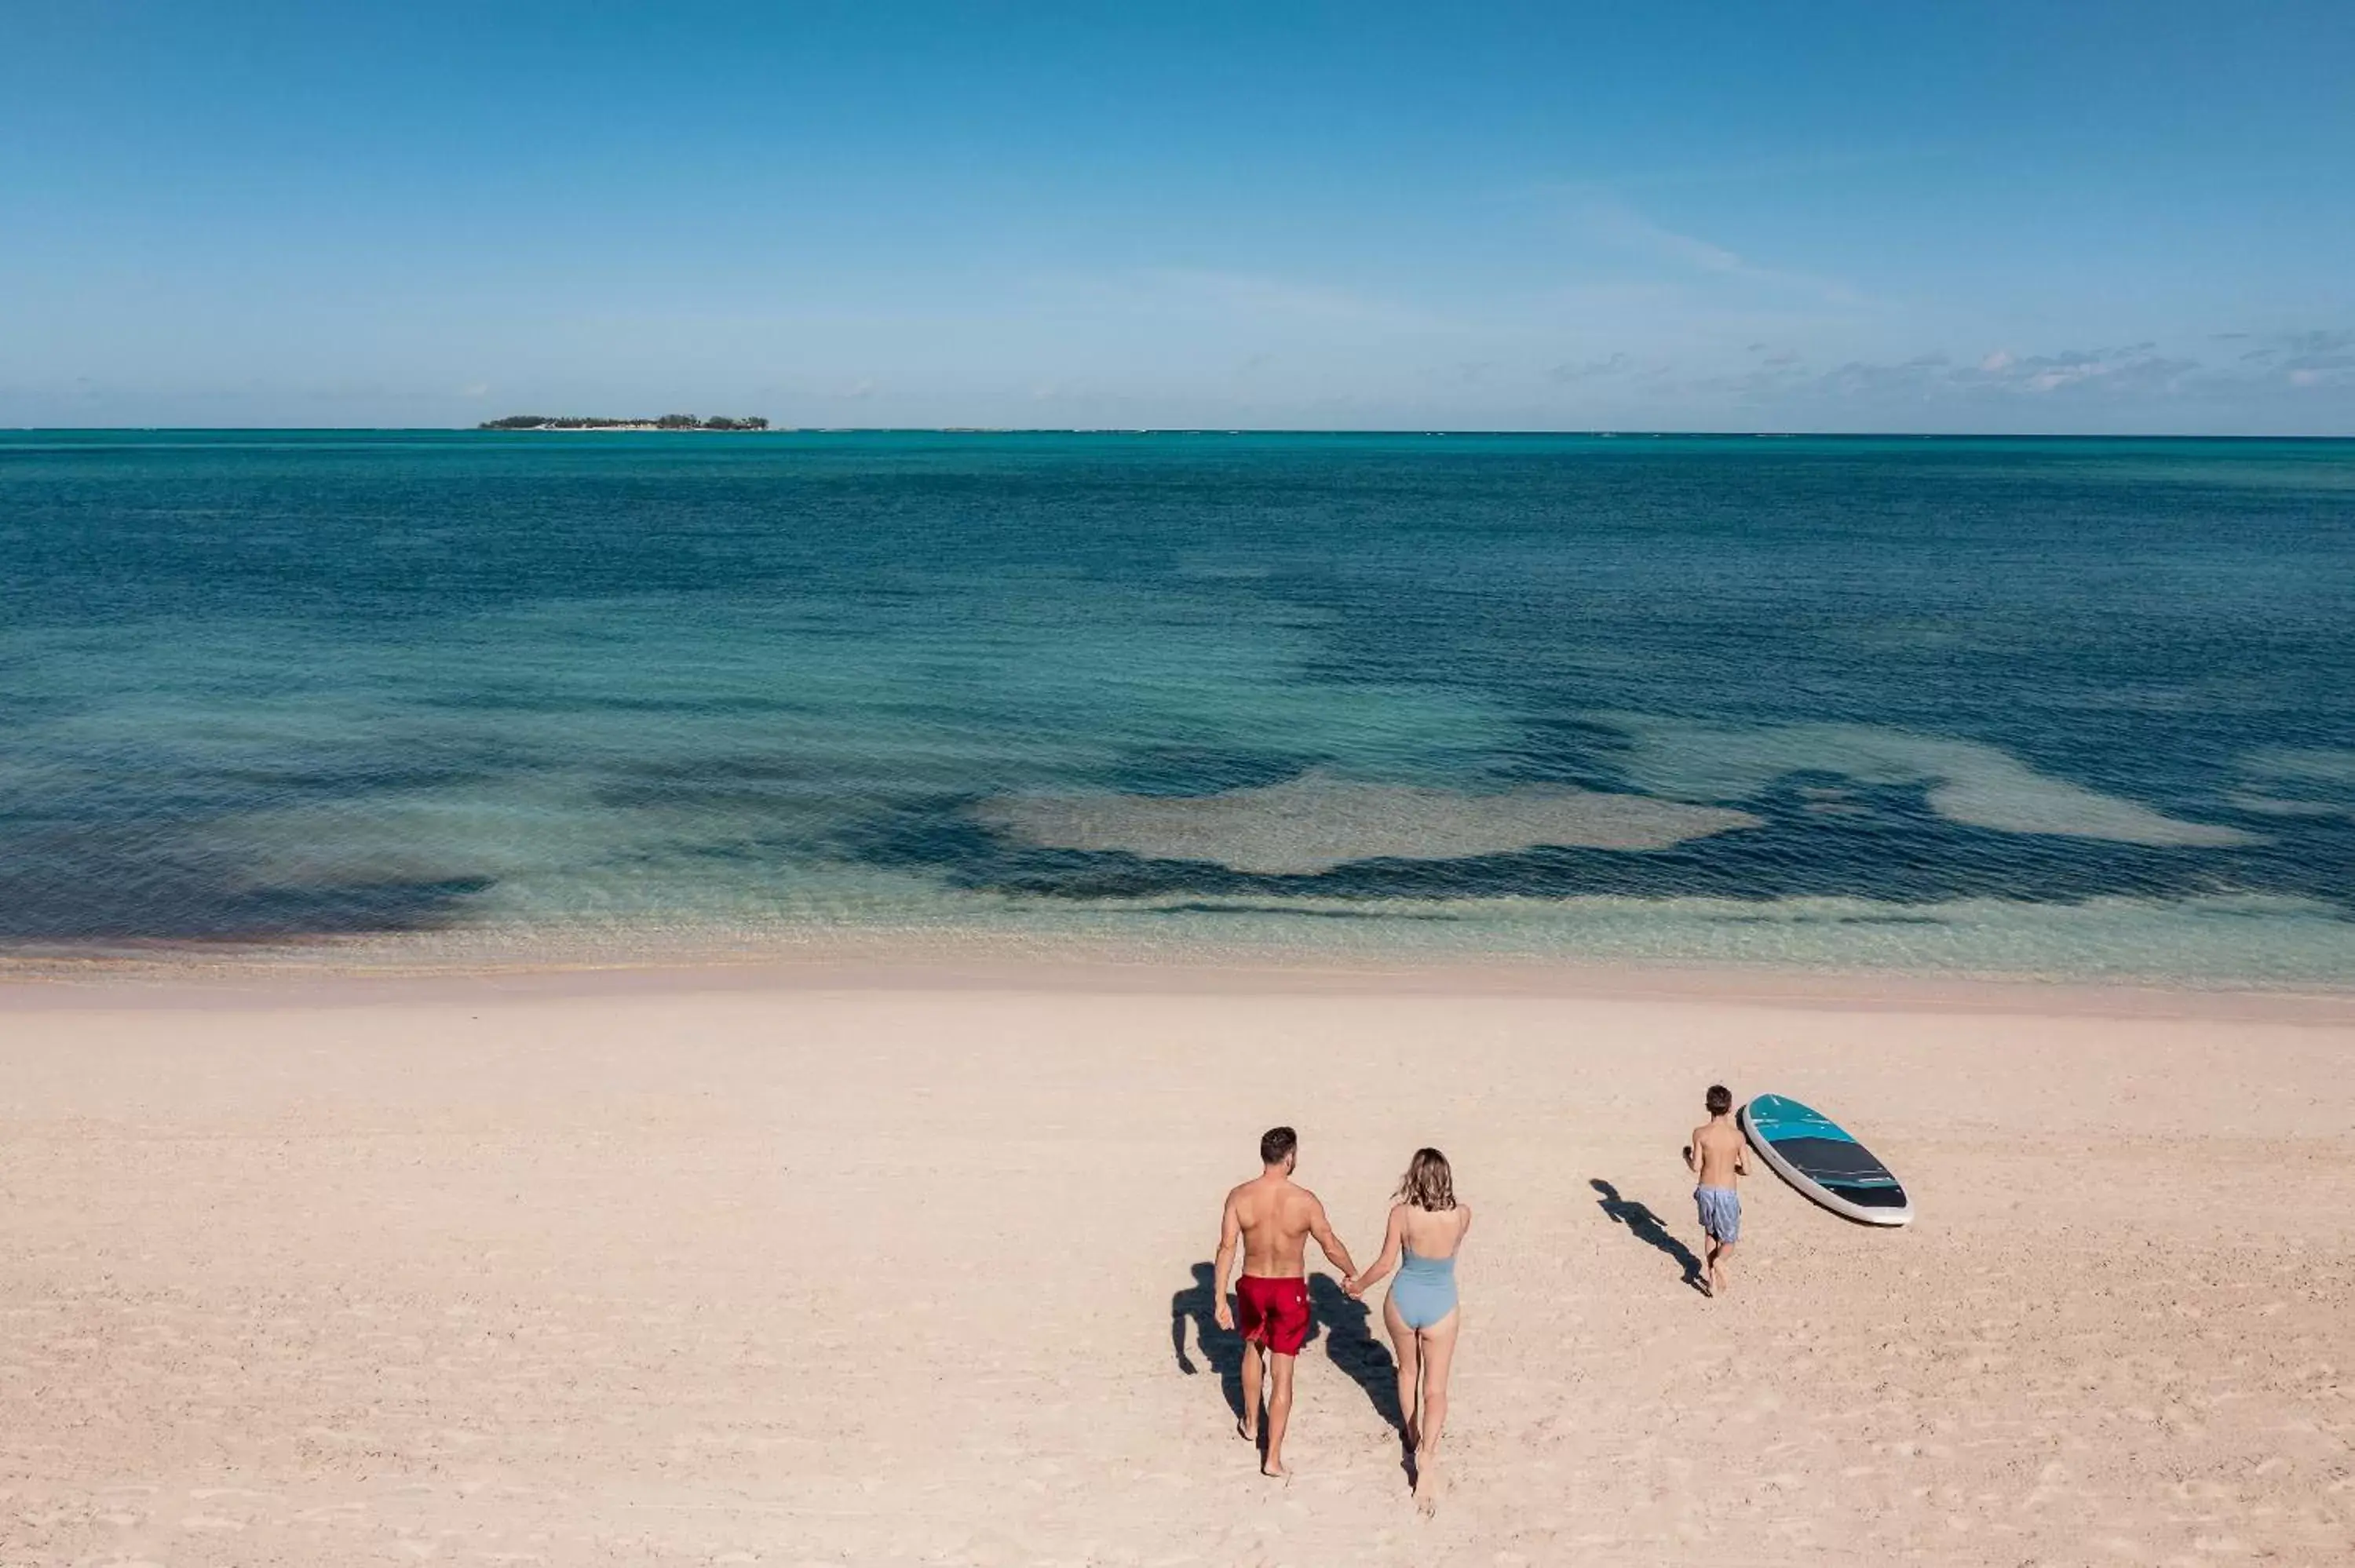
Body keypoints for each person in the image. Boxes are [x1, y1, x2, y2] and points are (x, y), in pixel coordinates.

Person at [1212, 1125, 1361, 1479]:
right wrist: (1353, 1274)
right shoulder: (1304, 1200)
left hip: (1252, 1283)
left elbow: (1227, 1248)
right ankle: (1273, 1458)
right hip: (1288, 1287)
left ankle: (1251, 1422)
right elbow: (1329, 1244)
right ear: (1291, 1158)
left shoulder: (1239, 1196)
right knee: (1283, 1372)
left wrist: (1219, 1298)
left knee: (1252, 1347)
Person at [1345, 1147, 1470, 1512]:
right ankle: (1427, 1456)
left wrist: (1358, 1286)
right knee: (1436, 1388)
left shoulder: (1401, 1214)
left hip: (1403, 1299)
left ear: (1413, 1176)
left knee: (1407, 1372)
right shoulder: (1462, 1216)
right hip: (1442, 1304)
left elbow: (1386, 1263)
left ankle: (1412, 1436)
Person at [1683, 1084, 1748, 1298]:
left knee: (1711, 1233)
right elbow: (1747, 1169)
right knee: (1729, 1239)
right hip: (1727, 1191)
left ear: (1707, 1107)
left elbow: (1696, 1167)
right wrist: (1733, 1167)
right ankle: (1720, 1262)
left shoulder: (1700, 1134)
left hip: (1706, 1189)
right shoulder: (1737, 1136)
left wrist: (1686, 1155)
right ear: (1730, 1108)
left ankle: (1711, 1279)